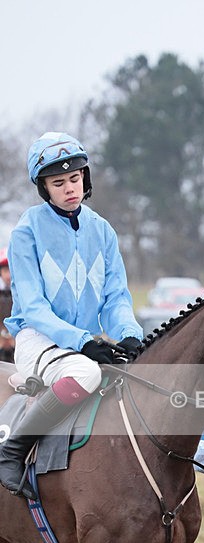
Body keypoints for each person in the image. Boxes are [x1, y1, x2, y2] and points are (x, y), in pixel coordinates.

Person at [0, 131, 143, 500]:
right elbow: (33, 307)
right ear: (44, 188)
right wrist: (82, 342)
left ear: (86, 179)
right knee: (86, 371)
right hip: (38, 340)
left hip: (84, 344)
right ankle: (13, 450)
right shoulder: (26, 232)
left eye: (75, 179)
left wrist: (129, 333)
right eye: (58, 182)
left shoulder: (103, 231)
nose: (69, 188)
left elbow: (115, 298)